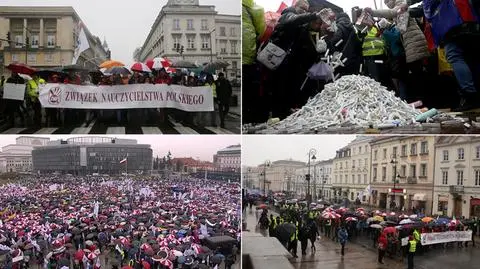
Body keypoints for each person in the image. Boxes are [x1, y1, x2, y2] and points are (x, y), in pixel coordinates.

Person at [265, 0, 325, 119]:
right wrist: (314, 15)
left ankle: (284, 111)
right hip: (279, 58)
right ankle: (278, 113)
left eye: (306, 10)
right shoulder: (288, 14)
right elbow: (294, 20)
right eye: (302, 8)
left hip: (289, 60)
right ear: (295, 6)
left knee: (286, 86)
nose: (304, 11)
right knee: (279, 86)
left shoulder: (300, 22)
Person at [242, 0, 267, 124]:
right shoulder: (254, 8)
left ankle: (247, 119)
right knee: (251, 91)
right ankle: (250, 120)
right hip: (248, 56)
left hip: (245, 56)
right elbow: (261, 29)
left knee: (246, 92)